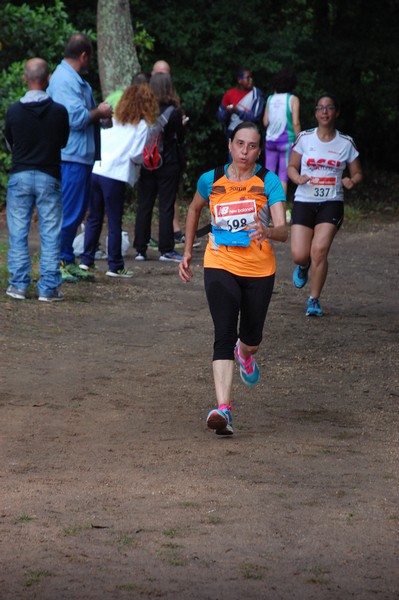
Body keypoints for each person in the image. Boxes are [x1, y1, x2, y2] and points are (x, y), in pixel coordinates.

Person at [179, 122, 287, 435]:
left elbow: (283, 229)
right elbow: (194, 210)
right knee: (223, 333)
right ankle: (223, 410)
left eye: (252, 146)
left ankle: (245, 353)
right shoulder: (211, 179)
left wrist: (267, 231)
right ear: (230, 144)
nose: (245, 151)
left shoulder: (268, 181)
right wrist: (188, 251)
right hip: (220, 263)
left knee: (250, 339)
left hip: (259, 270)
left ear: (259, 149)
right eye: (240, 144)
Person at [288, 93, 363, 317]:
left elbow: (357, 172)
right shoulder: (305, 138)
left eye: (329, 108)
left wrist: (352, 180)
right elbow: (292, 166)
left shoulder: (346, 142)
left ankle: (314, 299)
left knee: (319, 250)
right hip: (304, 200)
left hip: (331, 201)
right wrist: (296, 178)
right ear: (315, 113)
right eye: (320, 108)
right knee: (300, 255)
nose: (324, 112)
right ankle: (303, 266)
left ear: (336, 112)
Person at [47, 32, 113, 283]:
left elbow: (86, 115)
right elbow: (74, 119)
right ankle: (59, 262)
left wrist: (101, 117)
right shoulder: (65, 80)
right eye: (90, 57)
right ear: (84, 56)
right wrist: (100, 111)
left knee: (76, 212)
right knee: (69, 212)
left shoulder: (75, 79)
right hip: (70, 156)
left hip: (81, 156)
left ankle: (67, 259)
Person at [5, 58, 70, 302]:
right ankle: (48, 288)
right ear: (48, 79)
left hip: (20, 175)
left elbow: (10, 142)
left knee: (18, 232)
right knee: (51, 233)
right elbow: (63, 142)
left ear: (25, 78)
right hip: (49, 175)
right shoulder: (59, 112)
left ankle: (19, 285)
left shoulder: (13, 110)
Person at [79, 83, 158, 277]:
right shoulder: (141, 125)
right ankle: (114, 265)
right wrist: (143, 163)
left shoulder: (114, 118)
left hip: (97, 169)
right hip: (115, 175)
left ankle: (86, 260)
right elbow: (136, 154)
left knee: (94, 218)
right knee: (114, 220)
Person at [133, 72, 185, 262]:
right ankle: (166, 249)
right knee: (166, 206)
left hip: (147, 163)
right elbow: (180, 137)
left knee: (144, 205)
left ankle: (140, 248)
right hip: (168, 162)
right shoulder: (174, 111)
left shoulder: (144, 109)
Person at [263, 67, 301, 195]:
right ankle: (280, 209)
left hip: (270, 141)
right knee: (283, 176)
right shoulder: (292, 99)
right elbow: (295, 122)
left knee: (269, 174)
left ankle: (266, 208)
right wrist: (300, 140)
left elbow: (265, 122)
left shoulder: (270, 99)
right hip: (286, 142)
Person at [216, 67, 265, 150]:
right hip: (233, 131)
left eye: (251, 77)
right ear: (239, 80)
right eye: (248, 78)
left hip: (250, 132)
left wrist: (237, 111)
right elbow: (220, 116)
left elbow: (255, 117)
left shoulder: (256, 94)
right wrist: (227, 112)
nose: (251, 80)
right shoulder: (229, 94)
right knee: (233, 160)